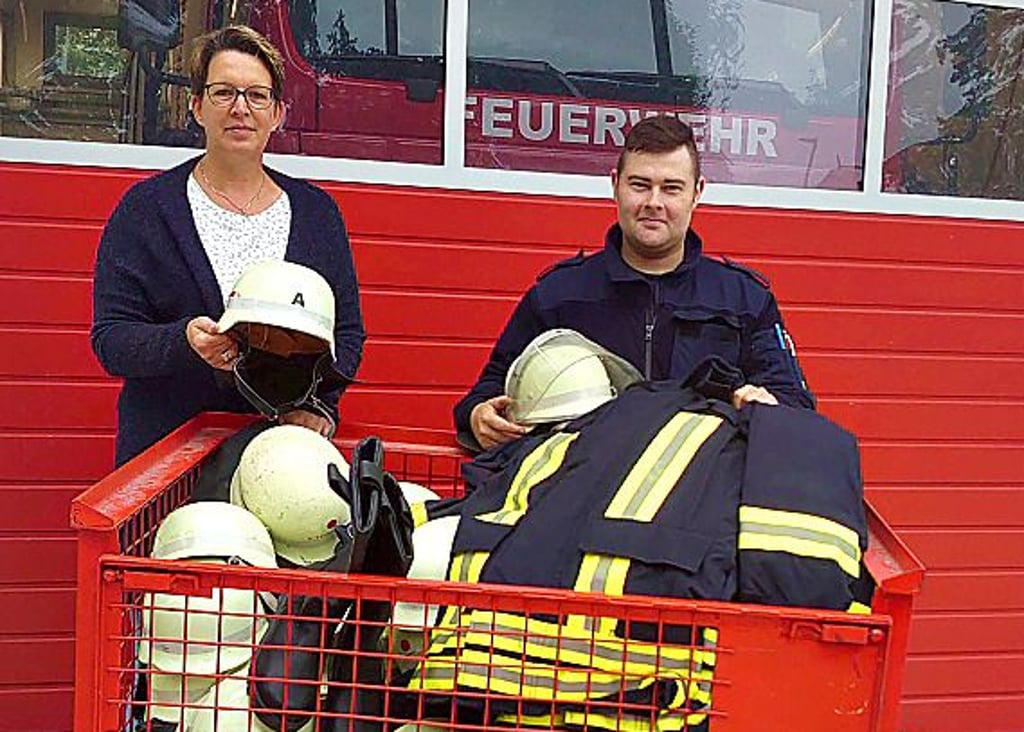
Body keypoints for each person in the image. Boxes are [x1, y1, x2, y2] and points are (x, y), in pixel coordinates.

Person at [453, 115, 814, 451]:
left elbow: (796, 405)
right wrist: (479, 416)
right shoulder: (559, 297)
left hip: (704, 499)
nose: (653, 202)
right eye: (640, 185)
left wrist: (767, 406)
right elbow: (491, 388)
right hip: (579, 498)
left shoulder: (744, 300)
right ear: (616, 185)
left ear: (697, 193)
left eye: (671, 188)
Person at [91, 25, 364, 465]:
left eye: (257, 95)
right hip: (166, 460)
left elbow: (347, 334)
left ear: (277, 112)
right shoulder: (146, 209)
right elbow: (111, 339)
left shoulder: (317, 215)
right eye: (224, 93)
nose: (241, 108)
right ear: (197, 106)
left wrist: (319, 406)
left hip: (282, 461)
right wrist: (183, 342)